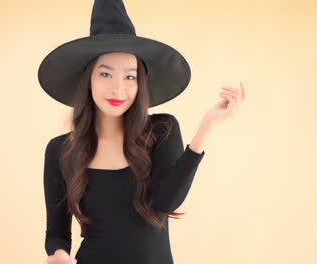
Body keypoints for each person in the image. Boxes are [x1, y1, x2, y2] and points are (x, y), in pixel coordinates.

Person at [38, 1, 246, 264]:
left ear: (141, 84)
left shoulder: (162, 131)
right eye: (105, 74)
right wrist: (58, 256)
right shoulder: (60, 149)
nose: (117, 88)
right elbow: (56, 233)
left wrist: (206, 126)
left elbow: (167, 202)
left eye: (130, 76)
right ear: (88, 80)